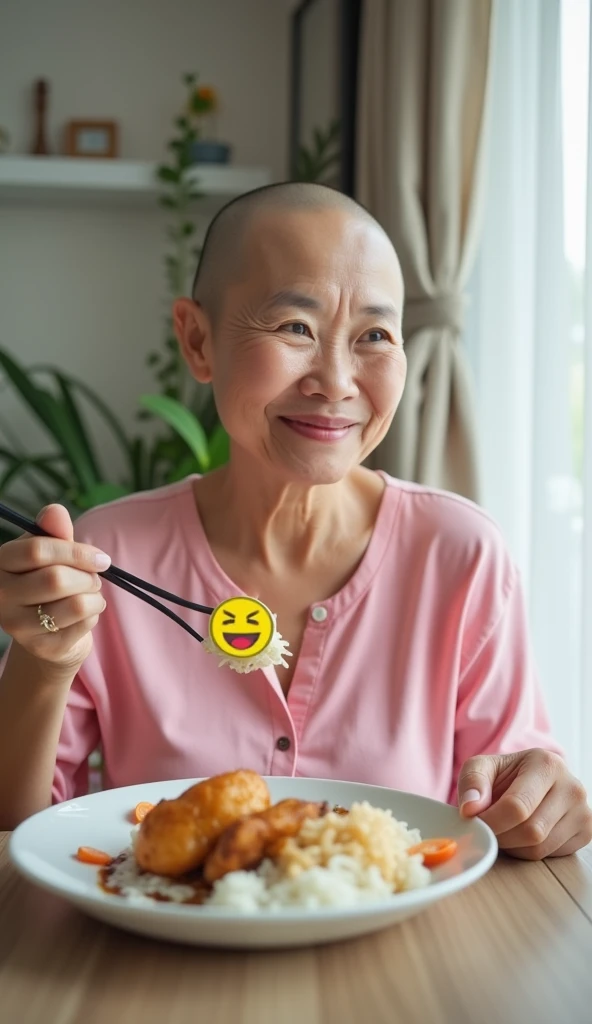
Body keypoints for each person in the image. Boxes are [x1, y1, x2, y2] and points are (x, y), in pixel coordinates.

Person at [0, 183, 590, 859]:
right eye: (294, 328)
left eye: (373, 335)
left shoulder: (459, 553)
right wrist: (43, 667)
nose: (337, 381)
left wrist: (540, 805)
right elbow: (17, 834)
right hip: (161, 955)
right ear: (197, 340)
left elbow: (516, 796)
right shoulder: (108, 555)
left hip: (401, 957)